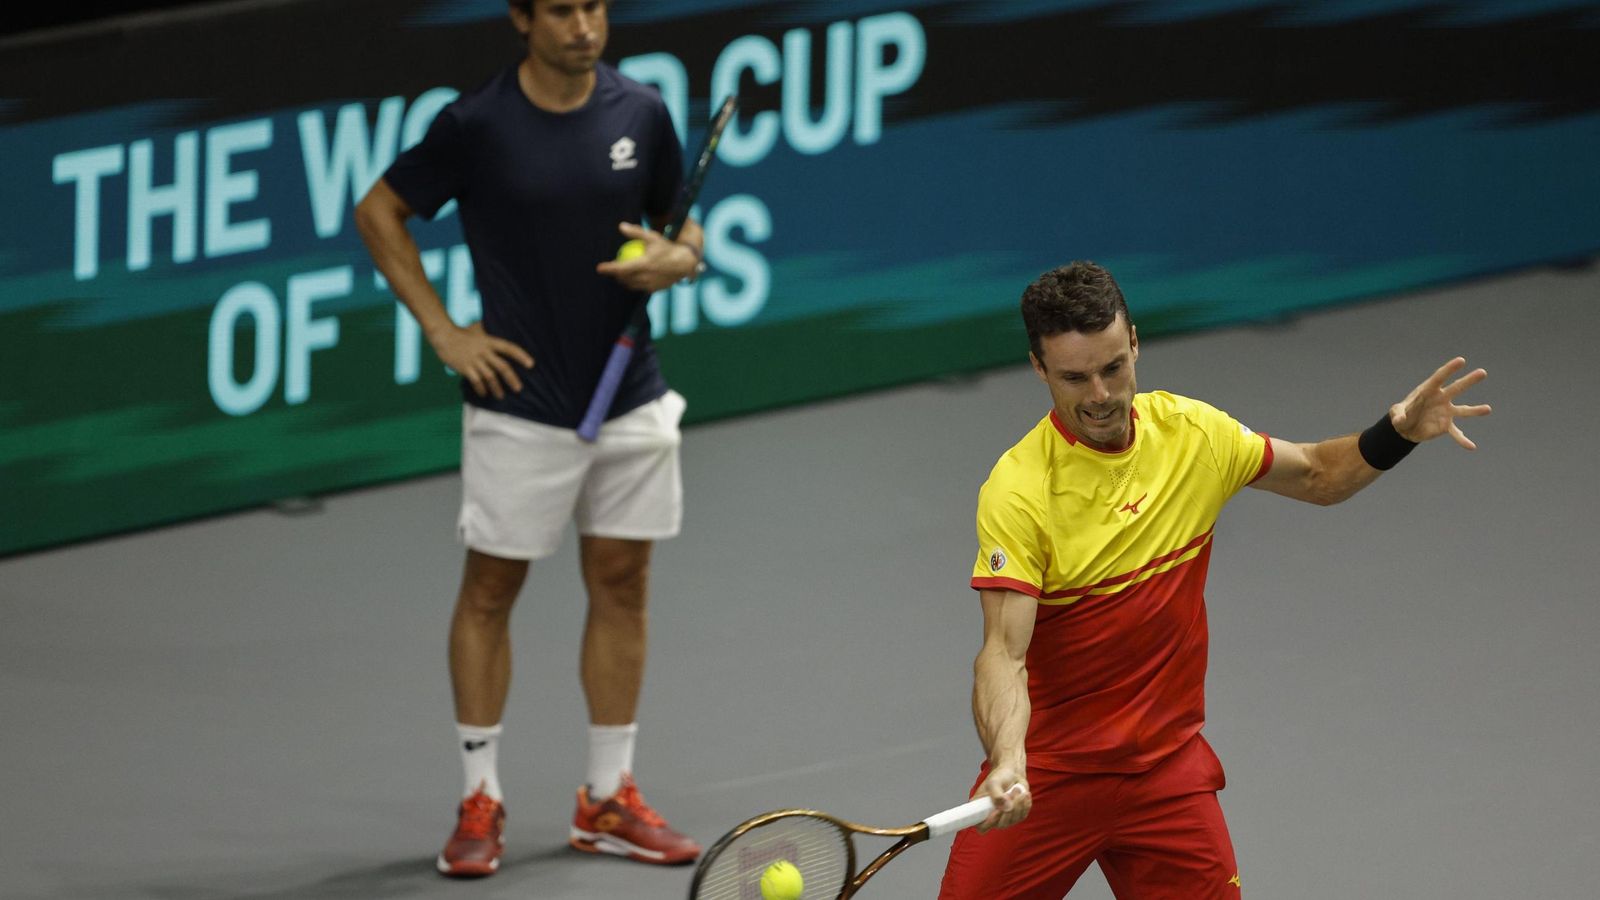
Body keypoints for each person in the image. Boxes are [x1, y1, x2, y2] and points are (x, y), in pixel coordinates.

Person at [937, 261, 1490, 898]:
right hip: (1051, 780)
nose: (1099, 395)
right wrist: (1008, 757)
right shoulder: (1020, 490)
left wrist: (1395, 432)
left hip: (1164, 775)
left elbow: (1315, 473)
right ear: (1039, 368)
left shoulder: (1192, 436)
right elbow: (1003, 654)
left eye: (1114, 367)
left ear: (1135, 343)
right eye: (1074, 376)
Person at [353, 0, 705, 878]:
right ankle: (481, 797)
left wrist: (681, 258)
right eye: (561, 9)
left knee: (623, 582)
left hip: (630, 394)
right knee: (490, 591)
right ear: (521, 19)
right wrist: (443, 331)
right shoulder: (476, 125)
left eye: (594, 6)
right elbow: (380, 212)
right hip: (519, 403)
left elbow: (680, 224)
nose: (583, 25)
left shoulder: (642, 112)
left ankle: (608, 796)